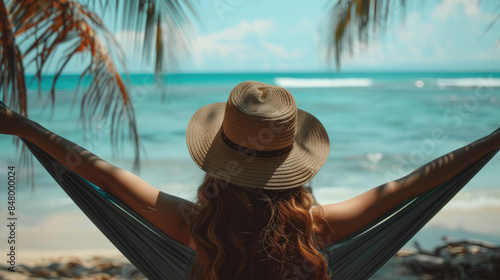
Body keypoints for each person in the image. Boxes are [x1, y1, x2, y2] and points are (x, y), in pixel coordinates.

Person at [0, 81, 499, 280]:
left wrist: (23, 126)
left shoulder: (194, 225)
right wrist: (491, 142)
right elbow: (413, 186)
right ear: (292, 164)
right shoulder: (316, 230)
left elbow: (96, 171)